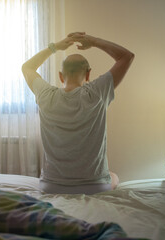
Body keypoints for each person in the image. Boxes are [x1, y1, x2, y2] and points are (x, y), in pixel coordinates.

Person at [22, 32, 134, 194]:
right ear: (88, 74)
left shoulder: (46, 95)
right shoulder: (96, 93)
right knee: (113, 176)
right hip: (95, 186)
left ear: (61, 76)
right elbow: (126, 57)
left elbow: (27, 67)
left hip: (51, 186)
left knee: (111, 175)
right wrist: (94, 41)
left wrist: (55, 47)